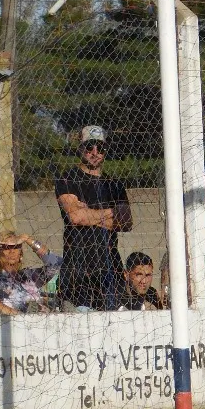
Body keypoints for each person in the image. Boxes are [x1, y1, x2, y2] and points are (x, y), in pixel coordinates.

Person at [55, 125, 132, 310]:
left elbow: (127, 222)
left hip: (110, 269)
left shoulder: (114, 184)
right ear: (80, 148)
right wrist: (111, 213)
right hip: (77, 270)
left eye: (100, 147)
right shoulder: (68, 178)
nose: (95, 152)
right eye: (89, 146)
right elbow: (76, 217)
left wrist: (88, 212)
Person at [0, 231, 61, 315]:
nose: (12, 251)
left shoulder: (28, 276)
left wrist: (28, 240)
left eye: (16, 246)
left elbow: (55, 264)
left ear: (20, 253)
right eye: (6, 247)